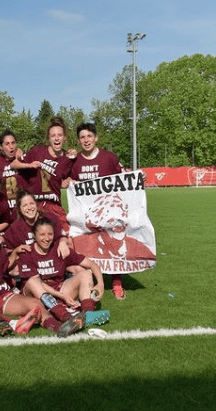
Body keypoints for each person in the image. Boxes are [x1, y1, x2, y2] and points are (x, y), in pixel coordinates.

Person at [0, 218, 71, 336]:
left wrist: (15, 252)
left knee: (35, 304)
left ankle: (57, 327)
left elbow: (5, 266)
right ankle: (3, 323)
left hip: (2, 293)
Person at [17, 217, 110, 336]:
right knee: (32, 281)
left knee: (85, 273)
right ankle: (65, 317)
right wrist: (62, 296)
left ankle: (87, 315)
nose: (46, 238)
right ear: (34, 235)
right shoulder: (27, 252)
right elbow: (36, 283)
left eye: (50, 234)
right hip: (37, 295)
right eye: (42, 234)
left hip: (60, 292)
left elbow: (92, 265)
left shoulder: (60, 249)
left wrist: (100, 284)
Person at [68, 123, 128, 300]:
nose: (86, 140)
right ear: (78, 141)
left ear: (96, 138)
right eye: (82, 137)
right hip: (87, 214)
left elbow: (123, 175)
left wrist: (138, 176)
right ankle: (90, 280)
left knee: (113, 245)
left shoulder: (108, 158)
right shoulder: (75, 161)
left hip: (109, 213)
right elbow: (67, 178)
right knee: (89, 246)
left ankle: (117, 282)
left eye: (89, 136)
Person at [17, 117, 76, 232]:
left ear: (64, 138)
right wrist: (16, 153)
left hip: (54, 206)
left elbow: (73, 178)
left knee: (66, 236)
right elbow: (17, 163)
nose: (56, 138)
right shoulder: (37, 152)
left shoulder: (68, 159)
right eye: (53, 135)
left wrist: (67, 182)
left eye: (60, 135)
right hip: (34, 205)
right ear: (48, 138)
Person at [2, 190, 69, 261]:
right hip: (30, 264)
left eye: (31, 203)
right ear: (19, 209)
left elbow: (62, 235)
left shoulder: (50, 218)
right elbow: (6, 246)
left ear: (36, 204)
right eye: (25, 205)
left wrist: (63, 243)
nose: (29, 207)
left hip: (53, 258)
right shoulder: (15, 227)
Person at [0, 130, 36, 209]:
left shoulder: (23, 158)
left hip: (23, 207)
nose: (11, 147)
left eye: (13, 143)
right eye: (7, 144)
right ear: (1, 147)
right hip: (5, 208)